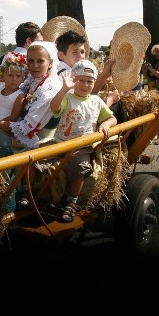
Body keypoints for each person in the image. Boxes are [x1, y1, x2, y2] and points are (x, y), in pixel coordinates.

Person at [48, 59, 117, 222]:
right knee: (37, 159)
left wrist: (105, 124)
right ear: (73, 80)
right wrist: (64, 89)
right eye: (80, 80)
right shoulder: (68, 98)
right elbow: (54, 107)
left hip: (82, 146)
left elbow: (112, 118)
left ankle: (72, 201)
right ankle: (27, 194)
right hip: (60, 143)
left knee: (80, 166)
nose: (85, 85)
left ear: (94, 83)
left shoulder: (96, 101)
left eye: (89, 81)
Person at [0, 21, 42, 110]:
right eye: (40, 42)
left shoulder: (2, 58)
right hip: (11, 112)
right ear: (29, 41)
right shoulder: (29, 61)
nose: (42, 46)